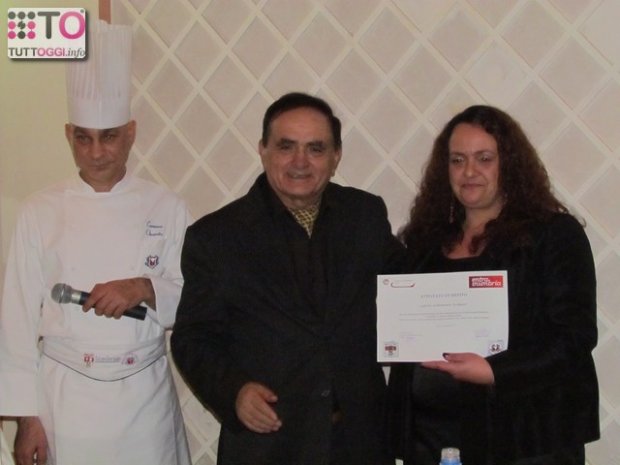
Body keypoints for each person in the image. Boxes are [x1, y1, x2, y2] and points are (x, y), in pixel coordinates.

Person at [171, 92, 405, 465]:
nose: (300, 161)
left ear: (336, 157)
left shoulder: (364, 216)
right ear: (263, 150)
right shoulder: (216, 238)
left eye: (316, 148)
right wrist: (235, 392)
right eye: (286, 146)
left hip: (360, 445)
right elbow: (193, 338)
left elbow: (409, 286)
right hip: (269, 447)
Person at [0, 20, 191, 465]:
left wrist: (145, 288)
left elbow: (198, 298)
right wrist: (27, 418)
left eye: (109, 137)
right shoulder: (38, 211)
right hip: (65, 400)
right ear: (69, 134)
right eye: (83, 138)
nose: (96, 152)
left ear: (131, 133)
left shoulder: (167, 206)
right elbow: (17, 319)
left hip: (143, 399)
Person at [386, 105, 599, 465]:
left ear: (509, 165)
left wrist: (493, 371)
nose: (469, 171)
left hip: (526, 440)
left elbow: (574, 338)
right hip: (432, 439)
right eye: (457, 160)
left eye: (484, 158)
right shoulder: (425, 243)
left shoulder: (553, 235)